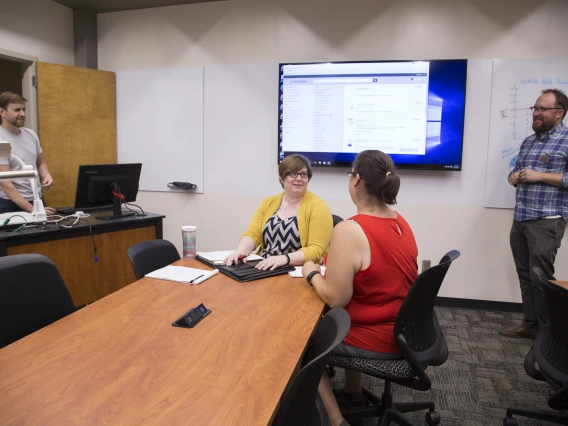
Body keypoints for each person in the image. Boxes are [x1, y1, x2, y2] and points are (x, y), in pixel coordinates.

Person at [302, 150, 418, 426]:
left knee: (301, 341)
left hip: (378, 335)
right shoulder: (400, 221)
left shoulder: (350, 230)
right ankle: (352, 390)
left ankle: (335, 419)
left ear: (356, 181)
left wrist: (312, 273)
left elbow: (336, 298)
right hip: (404, 328)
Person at [499, 88, 568, 339]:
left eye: (542, 109)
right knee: (525, 274)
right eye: (535, 109)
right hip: (521, 218)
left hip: (547, 220)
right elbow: (514, 172)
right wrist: (514, 177)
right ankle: (530, 324)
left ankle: (550, 333)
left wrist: (542, 176)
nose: (536, 113)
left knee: (542, 278)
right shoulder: (529, 141)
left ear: (559, 113)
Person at [225, 154, 333, 270]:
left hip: (296, 270)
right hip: (264, 266)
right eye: (293, 173)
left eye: (303, 174)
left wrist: (283, 259)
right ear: (282, 178)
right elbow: (253, 234)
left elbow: (316, 249)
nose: (299, 178)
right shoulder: (268, 202)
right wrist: (241, 251)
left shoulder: (318, 206)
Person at [0, 92, 55, 215]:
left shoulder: (30, 134)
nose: (23, 114)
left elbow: (40, 162)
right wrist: (32, 210)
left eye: (24, 109)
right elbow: (5, 183)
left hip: (36, 199)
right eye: (17, 110)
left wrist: (46, 175)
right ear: (2, 112)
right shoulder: (1, 140)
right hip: (11, 204)